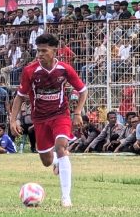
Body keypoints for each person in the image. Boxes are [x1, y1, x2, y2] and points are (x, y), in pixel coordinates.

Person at [10, 33, 88, 208]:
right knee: (46, 160)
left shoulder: (65, 69)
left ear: (54, 51)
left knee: (61, 147)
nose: (40, 54)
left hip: (61, 114)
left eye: (44, 51)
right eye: (38, 51)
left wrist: (77, 112)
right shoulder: (30, 71)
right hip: (39, 118)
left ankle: (66, 198)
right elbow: (20, 97)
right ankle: (57, 163)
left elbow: (83, 90)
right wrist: (13, 120)